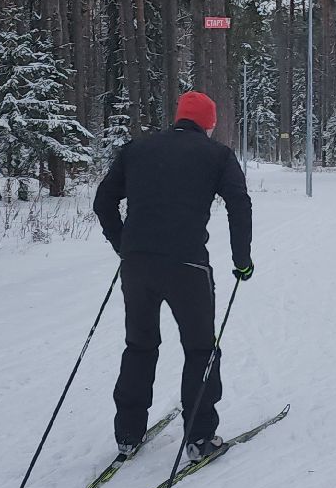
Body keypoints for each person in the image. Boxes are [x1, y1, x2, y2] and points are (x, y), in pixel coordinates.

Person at [93, 91, 253, 463]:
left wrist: (123, 244)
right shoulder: (217, 155)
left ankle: (128, 435)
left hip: (137, 267)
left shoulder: (137, 149)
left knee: (140, 345)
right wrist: (241, 259)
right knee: (200, 350)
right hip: (188, 269)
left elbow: (104, 201)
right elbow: (239, 204)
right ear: (208, 124)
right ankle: (199, 439)